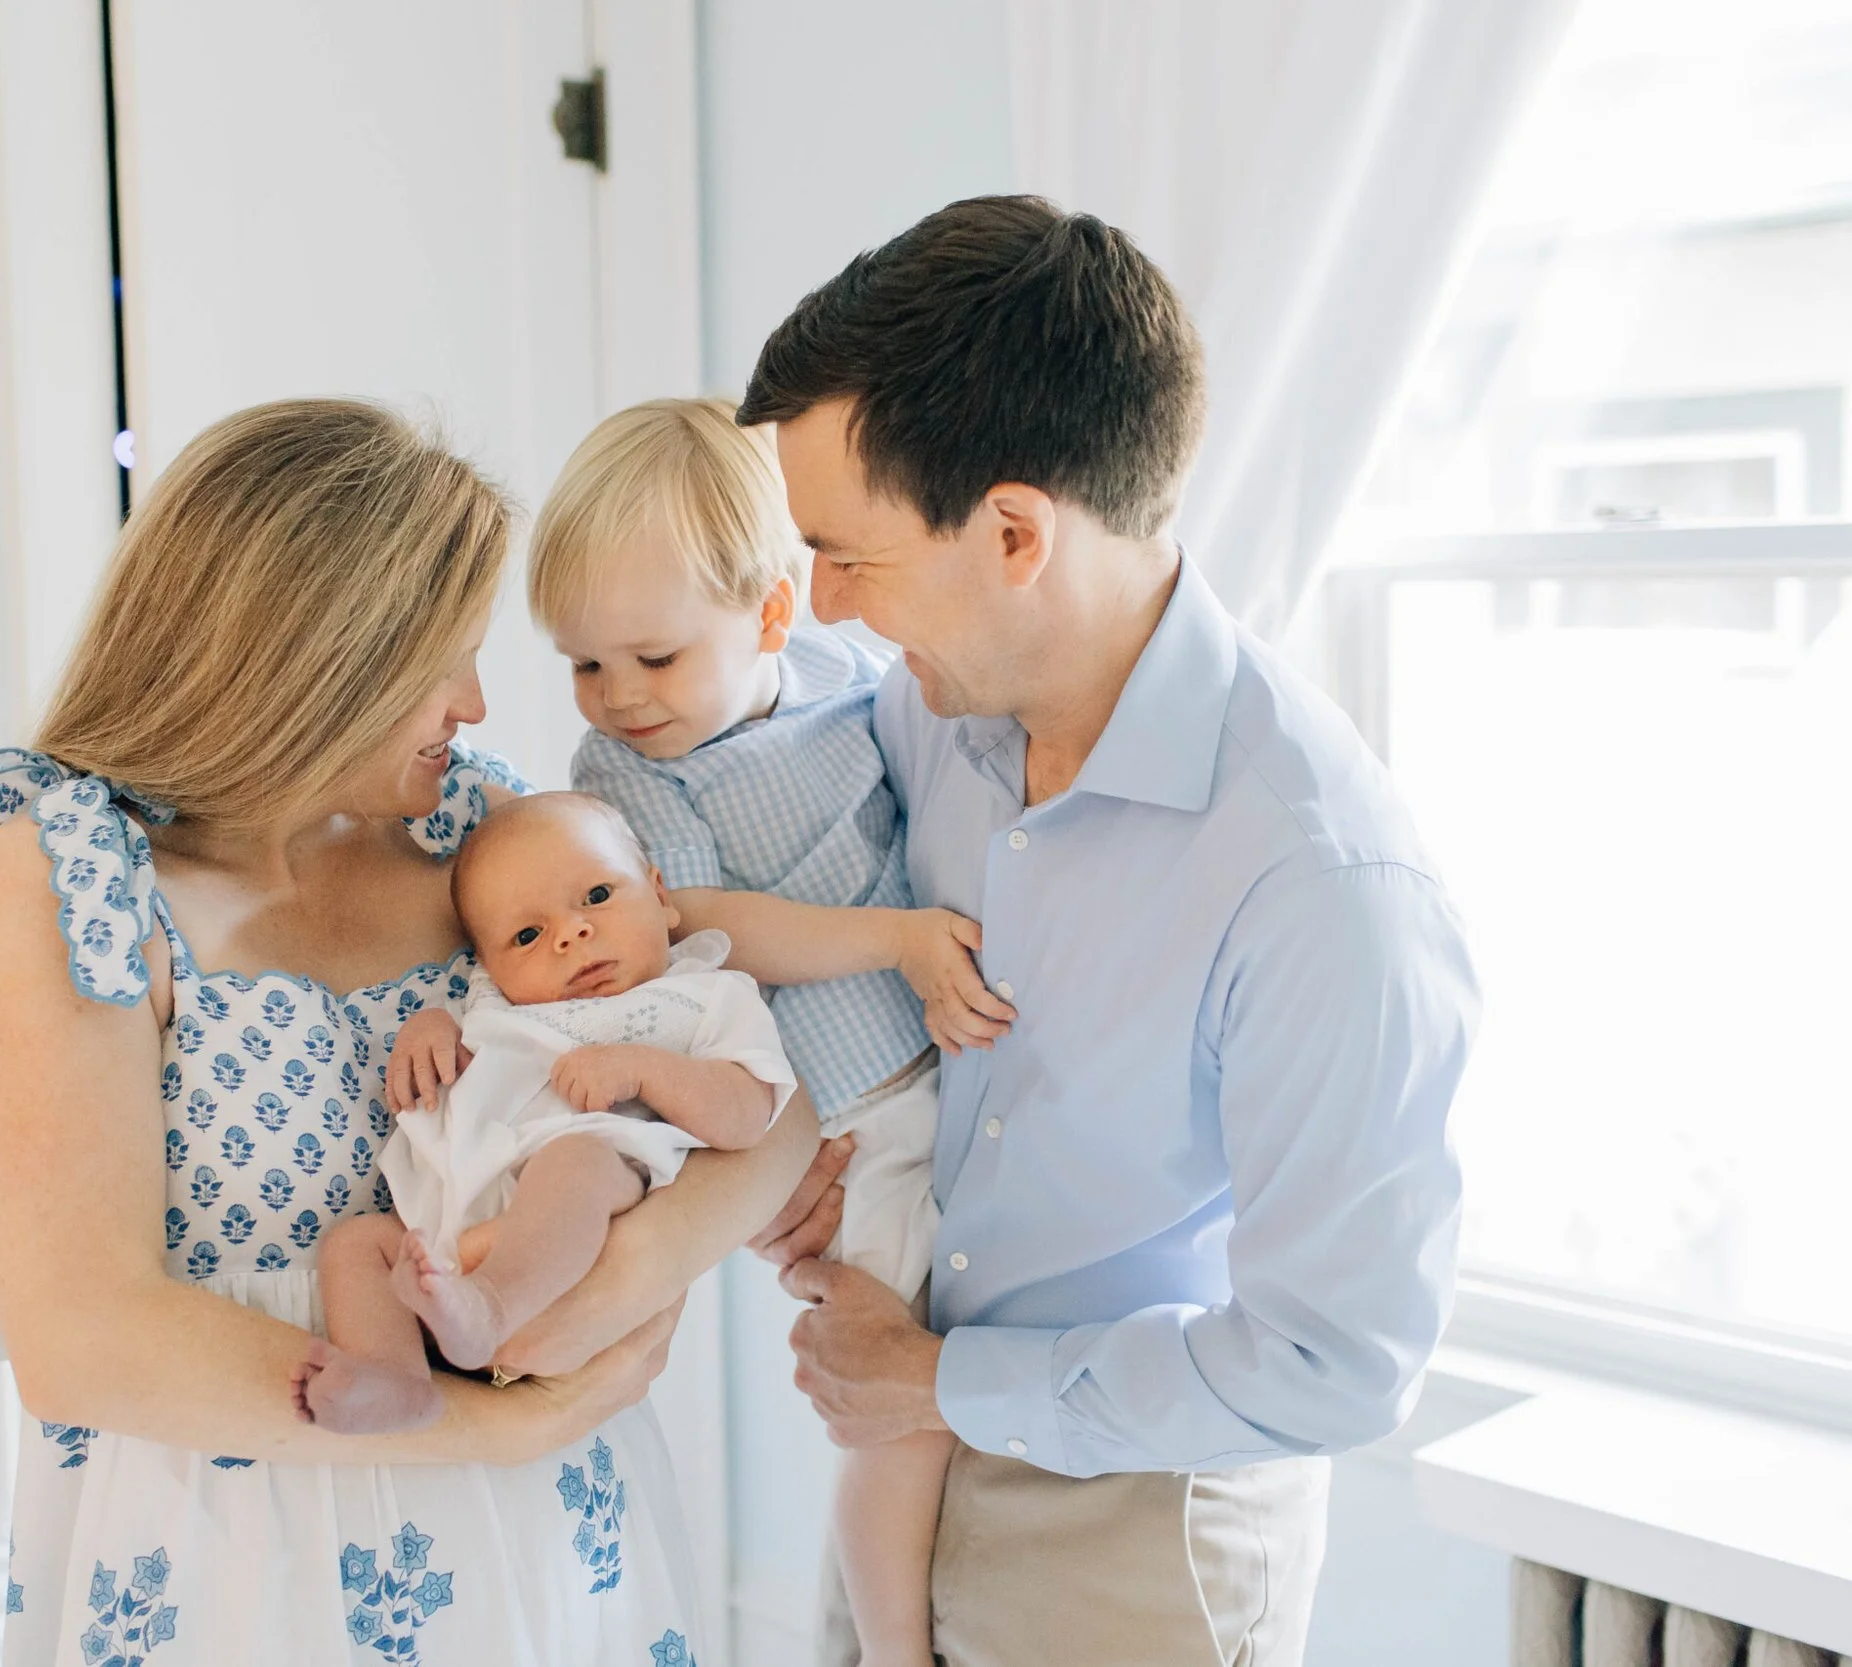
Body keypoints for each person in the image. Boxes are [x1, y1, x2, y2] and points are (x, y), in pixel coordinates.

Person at [0, 399, 818, 1665]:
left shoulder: (479, 843)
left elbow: (761, 1089)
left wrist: (623, 1281)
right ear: (310, 657)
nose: (477, 704)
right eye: (441, 663)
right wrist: (492, 1427)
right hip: (238, 1546)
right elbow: (84, 1340)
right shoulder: (73, 873)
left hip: (541, 1529)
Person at [739, 196, 1482, 1667]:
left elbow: (1337, 1363)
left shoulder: (1322, 882)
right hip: (896, 1458)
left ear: (1015, 530)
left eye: (851, 555)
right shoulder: (925, 708)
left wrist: (948, 1384)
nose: (821, 603)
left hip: (1138, 1536)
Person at [529, 398, 1013, 1667]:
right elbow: (707, 932)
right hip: (845, 1114)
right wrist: (897, 942)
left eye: (653, 657)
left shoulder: (845, 678)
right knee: (893, 1410)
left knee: (953, 1367)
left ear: (769, 617)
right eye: (585, 664)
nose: (618, 697)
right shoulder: (629, 775)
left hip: (945, 1081)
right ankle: (892, 1645)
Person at [300, 792, 795, 1433]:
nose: (570, 933)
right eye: (527, 936)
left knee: (574, 1161)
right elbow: (470, 1042)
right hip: (450, 1220)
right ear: (490, 966)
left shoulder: (702, 996)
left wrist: (644, 1067)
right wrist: (430, 1029)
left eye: (596, 896)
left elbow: (750, 1115)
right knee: (357, 1244)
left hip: (592, 1177)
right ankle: (396, 1375)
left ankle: (493, 1307)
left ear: (659, 892)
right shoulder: (498, 1005)